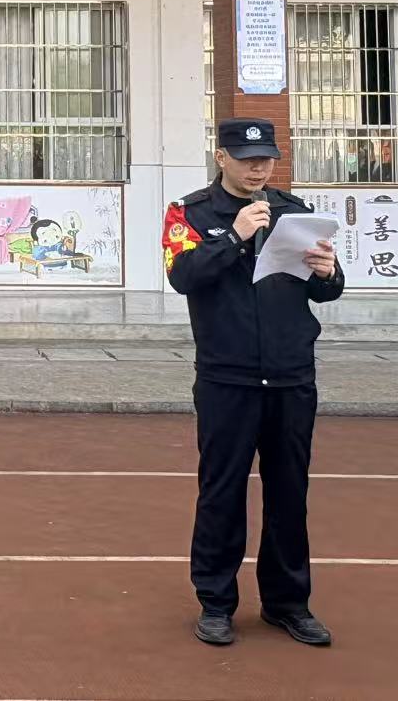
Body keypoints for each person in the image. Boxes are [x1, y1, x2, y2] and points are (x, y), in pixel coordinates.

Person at [161, 117, 345, 649]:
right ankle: (216, 603)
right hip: (227, 376)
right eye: (246, 159)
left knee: (290, 492)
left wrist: (328, 271)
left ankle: (287, 603)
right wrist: (235, 237)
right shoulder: (190, 213)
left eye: (266, 159)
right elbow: (183, 276)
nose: (258, 168)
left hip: (291, 375)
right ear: (222, 158)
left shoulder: (295, 212)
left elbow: (324, 291)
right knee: (222, 491)